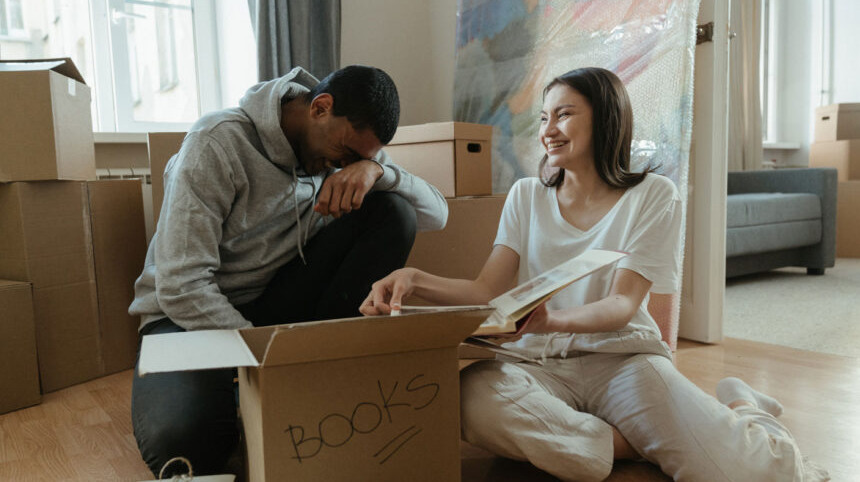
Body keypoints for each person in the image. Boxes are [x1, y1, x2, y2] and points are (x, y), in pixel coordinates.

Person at [361, 67, 825, 481]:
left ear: (605, 118)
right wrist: (414, 279)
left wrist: (551, 320)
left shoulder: (653, 195)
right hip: (535, 364)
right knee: (473, 397)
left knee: (752, 474)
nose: (549, 130)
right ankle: (632, 442)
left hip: (622, 360)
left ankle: (743, 406)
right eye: (543, 118)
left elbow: (622, 305)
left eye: (563, 115)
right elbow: (485, 289)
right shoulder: (526, 196)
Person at [129, 65, 448, 476]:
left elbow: (436, 214)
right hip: (186, 319)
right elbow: (181, 285)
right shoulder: (217, 143)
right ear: (320, 107)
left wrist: (377, 171)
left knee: (395, 211)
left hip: (273, 300)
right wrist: (262, 357)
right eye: (349, 154)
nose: (345, 165)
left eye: (361, 158)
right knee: (184, 448)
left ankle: (322, 364)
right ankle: (250, 389)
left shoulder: (348, 146)